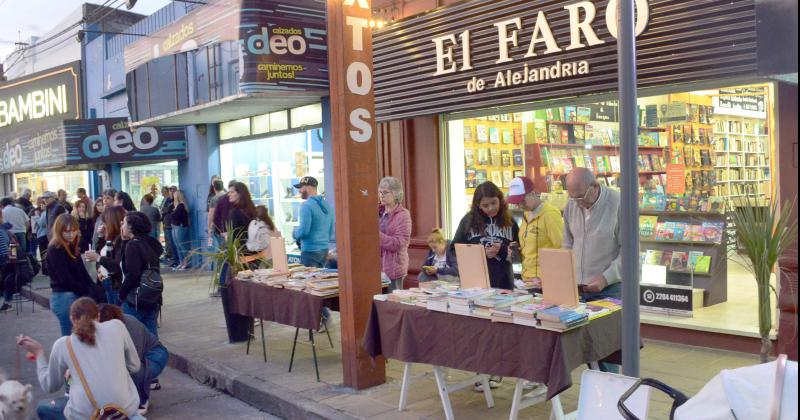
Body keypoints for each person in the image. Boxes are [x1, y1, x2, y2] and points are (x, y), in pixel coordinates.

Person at [16, 297, 143, 420]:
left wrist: (38, 353)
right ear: (98, 316)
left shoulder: (63, 344)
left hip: (85, 416)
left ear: (72, 319)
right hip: (124, 410)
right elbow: (135, 366)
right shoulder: (117, 326)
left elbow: (49, 386)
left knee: (43, 408)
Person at [563, 167, 622, 301]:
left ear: (595, 186)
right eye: (572, 198)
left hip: (610, 289)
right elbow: (567, 244)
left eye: (580, 197)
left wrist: (606, 278)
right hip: (576, 288)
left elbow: (630, 252)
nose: (577, 202)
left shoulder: (619, 203)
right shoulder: (571, 205)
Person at [98, 304, 167, 414]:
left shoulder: (130, 324)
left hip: (154, 354)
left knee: (135, 369)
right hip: (138, 356)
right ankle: (145, 382)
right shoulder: (101, 327)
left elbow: (134, 361)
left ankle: (142, 400)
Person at [452, 181, 520, 291]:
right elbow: (454, 251)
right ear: (478, 205)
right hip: (475, 283)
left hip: (504, 283)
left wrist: (501, 250)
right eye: (485, 205)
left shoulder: (510, 221)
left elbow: (517, 256)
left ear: (500, 200)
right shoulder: (467, 221)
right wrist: (481, 253)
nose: (490, 208)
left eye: (494, 203)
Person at [506, 177, 564, 287]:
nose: (520, 205)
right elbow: (530, 247)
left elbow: (562, 248)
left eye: (522, 201)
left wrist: (548, 277)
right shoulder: (527, 214)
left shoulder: (550, 214)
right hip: (527, 280)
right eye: (516, 202)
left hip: (545, 281)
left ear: (532, 193)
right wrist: (515, 252)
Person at [119, 211, 164, 337]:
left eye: (124, 223)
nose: (122, 226)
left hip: (136, 299)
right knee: (151, 338)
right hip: (153, 296)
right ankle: (155, 357)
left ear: (131, 227)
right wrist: (124, 241)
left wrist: (122, 294)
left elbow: (133, 274)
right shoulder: (151, 242)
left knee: (129, 336)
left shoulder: (133, 245)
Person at [46, 214, 92, 336]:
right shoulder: (56, 248)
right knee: (70, 338)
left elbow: (82, 271)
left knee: (76, 336)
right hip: (64, 296)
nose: (71, 234)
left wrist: (91, 287)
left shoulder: (71, 246)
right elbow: (65, 278)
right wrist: (85, 289)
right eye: (66, 231)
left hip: (70, 295)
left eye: (73, 231)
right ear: (59, 231)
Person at [85, 206, 126, 306]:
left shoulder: (121, 240)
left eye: (105, 222)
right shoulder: (112, 237)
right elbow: (102, 251)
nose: (103, 225)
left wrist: (98, 258)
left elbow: (116, 265)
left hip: (115, 283)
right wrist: (101, 236)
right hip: (107, 282)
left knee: (118, 314)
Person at [377, 177, 412, 291]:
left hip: (393, 268)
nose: (381, 195)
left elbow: (398, 243)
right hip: (375, 268)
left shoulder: (403, 215)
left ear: (396, 194)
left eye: (385, 192)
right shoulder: (377, 212)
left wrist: (375, 235)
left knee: (391, 305)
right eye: (380, 192)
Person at [292, 176, 334, 268]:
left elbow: (304, 231)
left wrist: (294, 233)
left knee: (308, 280)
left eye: (301, 187)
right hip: (324, 251)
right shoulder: (327, 205)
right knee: (319, 281)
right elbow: (331, 230)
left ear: (308, 187)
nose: (299, 191)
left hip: (310, 251)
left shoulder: (306, 206)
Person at [170, 190, 191, 270]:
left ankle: (185, 263)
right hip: (175, 227)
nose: (173, 197)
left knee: (183, 246)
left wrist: (173, 213)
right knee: (178, 246)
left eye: (175, 195)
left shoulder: (181, 206)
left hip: (180, 227)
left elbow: (176, 216)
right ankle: (181, 262)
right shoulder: (177, 206)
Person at [0, 212, 14, 312]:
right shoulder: (4, 228)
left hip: (3, 257)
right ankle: (7, 302)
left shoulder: (2, 228)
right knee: (6, 280)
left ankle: (7, 302)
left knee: (5, 280)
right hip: (7, 257)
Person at [33, 198, 49, 276]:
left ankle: (45, 269)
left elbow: (41, 223)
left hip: (43, 235)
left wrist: (36, 217)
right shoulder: (46, 213)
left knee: (43, 252)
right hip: (45, 235)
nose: (41, 205)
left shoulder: (45, 213)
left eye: (43, 204)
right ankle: (46, 268)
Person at [160, 186, 175, 265]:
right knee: (167, 238)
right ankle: (168, 253)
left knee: (170, 239)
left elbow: (167, 210)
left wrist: (163, 210)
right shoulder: (164, 199)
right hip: (164, 221)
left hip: (168, 222)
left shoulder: (170, 200)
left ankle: (171, 255)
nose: (162, 193)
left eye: (163, 191)